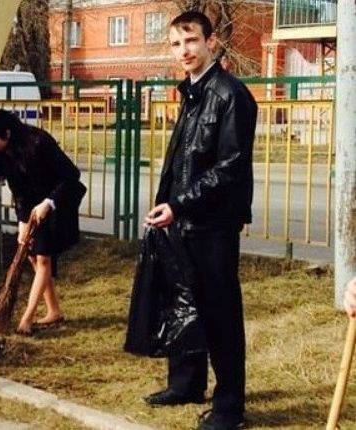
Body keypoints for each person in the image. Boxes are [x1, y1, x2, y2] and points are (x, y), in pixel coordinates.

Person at [142, 11, 257, 430]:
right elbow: (182, 162)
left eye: (191, 40)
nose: (184, 51)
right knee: (183, 302)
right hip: (181, 220)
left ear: (212, 42)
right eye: (176, 44)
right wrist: (167, 206)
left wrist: (180, 204)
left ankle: (229, 406)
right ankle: (186, 383)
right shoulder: (191, 92)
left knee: (219, 312)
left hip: (213, 224)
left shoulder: (230, 94)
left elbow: (230, 166)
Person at [0, 109, 86, 336]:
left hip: (58, 200)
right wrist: (22, 222)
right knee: (32, 256)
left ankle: (26, 319)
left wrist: (49, 202)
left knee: (43, 258)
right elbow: (19, 191)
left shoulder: (39, 142)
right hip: (33, 205)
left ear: (6, 134)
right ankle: (54, 311)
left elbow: (71, 175)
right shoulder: (2, 153)